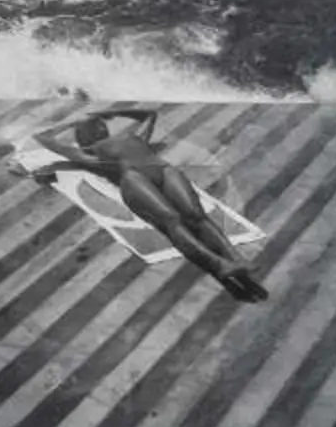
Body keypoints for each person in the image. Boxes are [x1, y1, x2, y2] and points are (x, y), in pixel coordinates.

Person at [32, 99, 269, 303]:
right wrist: (74, 123)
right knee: (172, 220)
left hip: (163, 169)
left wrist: (110, 113)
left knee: (196, 216)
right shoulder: (90, 153)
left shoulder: (132, 136)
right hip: (132, 176)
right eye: (92, 126)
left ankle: (237, 259)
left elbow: (149, 114)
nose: (98, 126)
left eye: (98, 124)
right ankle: (219, 265)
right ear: (84, 137)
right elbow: (44, 139)